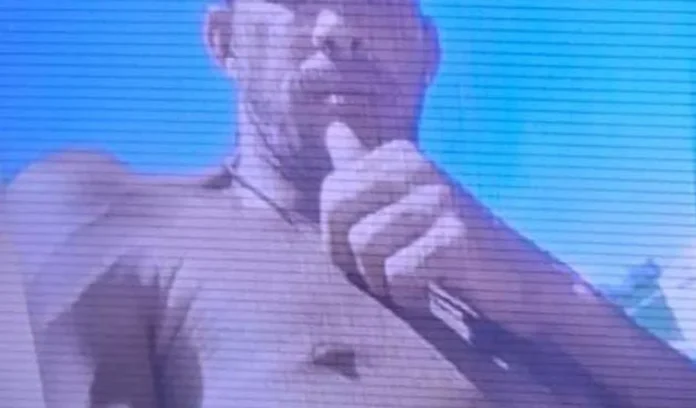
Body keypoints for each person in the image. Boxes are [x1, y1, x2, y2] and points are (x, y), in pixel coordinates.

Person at [4, 0, 696, 407]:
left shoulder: (507, 275)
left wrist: (550, 295)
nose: (340, 26)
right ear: (224, 42)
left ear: (427, 51)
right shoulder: (101, 213)